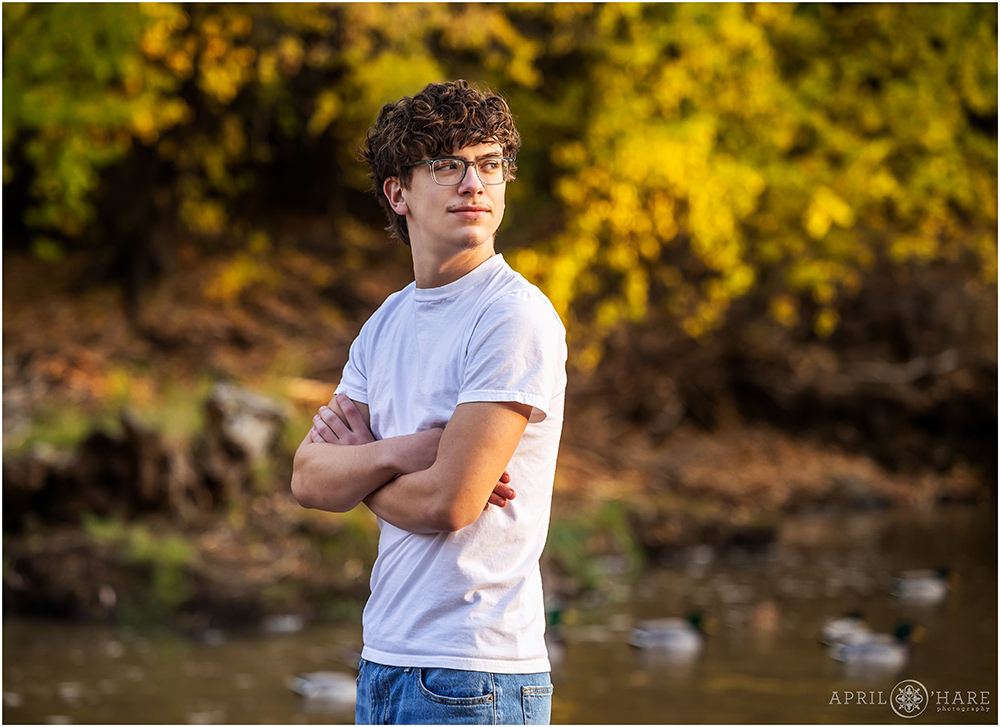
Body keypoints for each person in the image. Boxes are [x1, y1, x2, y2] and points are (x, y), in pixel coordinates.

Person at [290, 80, 567, 725]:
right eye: (448, 165)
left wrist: (361, 465)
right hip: (384, 660)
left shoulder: (513, 316)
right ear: (398, 193)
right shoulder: (385, 324)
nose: (475, 182)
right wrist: (401, 453)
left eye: (490, 163)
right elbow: (307, 478)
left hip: (476, 675)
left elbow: (449, 503)